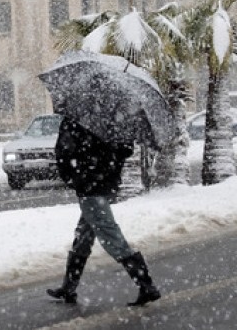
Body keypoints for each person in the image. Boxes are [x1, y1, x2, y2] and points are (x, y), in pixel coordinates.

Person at [47, 116, 161, 307]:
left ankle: (146, 285)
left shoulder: (77, 117)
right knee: (84, 235)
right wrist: (107, 162)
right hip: (103, 183)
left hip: (90, 187)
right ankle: (68, 288)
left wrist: (76, 176)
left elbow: (63, 152)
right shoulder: (115, 116)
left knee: (110, 235)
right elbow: (125, 150)